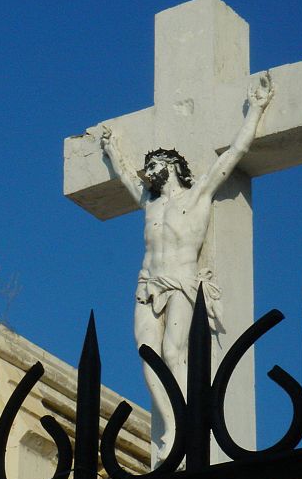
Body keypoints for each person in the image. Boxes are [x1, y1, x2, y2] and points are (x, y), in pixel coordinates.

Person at [100, 72, 274, 455]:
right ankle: (171, 426)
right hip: (148, 285)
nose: (151, 169)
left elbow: (231, 157)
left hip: (180, 281)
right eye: (150, 165)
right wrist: (113, 151)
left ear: (175, 167)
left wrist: (256, 110)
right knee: (147, 353)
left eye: (158, 162)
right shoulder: (151, 203)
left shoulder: (196, 198)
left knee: (172, 354)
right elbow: (128, 178)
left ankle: (182, 426)